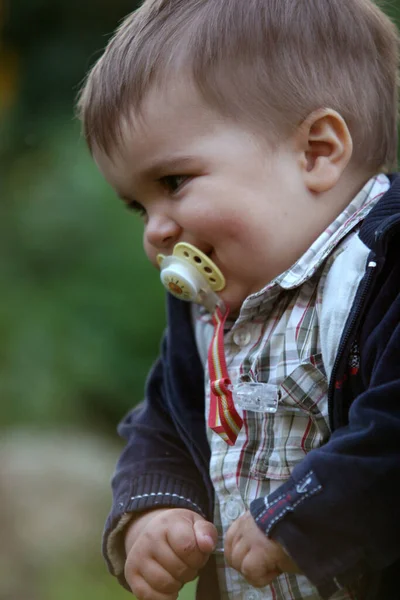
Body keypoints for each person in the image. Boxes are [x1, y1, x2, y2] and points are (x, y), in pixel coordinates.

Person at [77, 0, 400, 598]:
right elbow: (167, 424)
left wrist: (311, 512)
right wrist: (154, 510)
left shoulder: (380, 272)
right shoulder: (210, 310)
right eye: (139, 206)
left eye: (173, 183)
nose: (155, 230)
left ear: (318, 152)